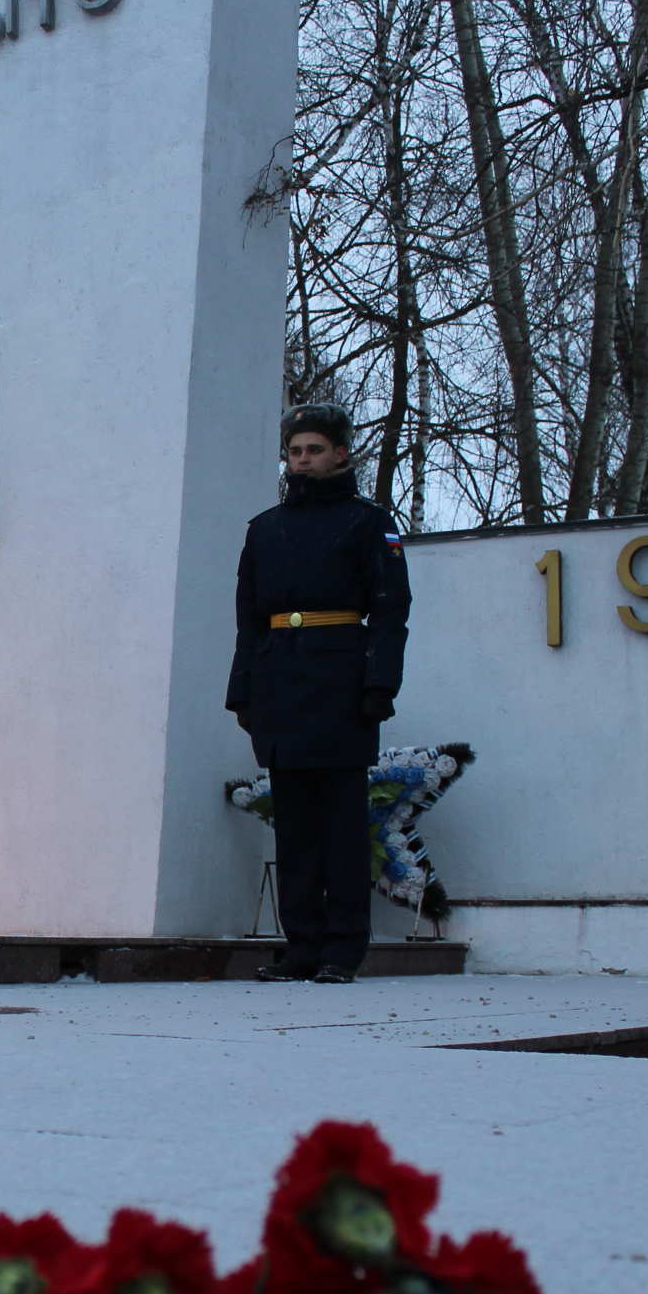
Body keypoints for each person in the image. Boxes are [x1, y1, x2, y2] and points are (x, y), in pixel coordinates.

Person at [224, 407, 411, 983]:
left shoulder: (368, 522)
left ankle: (342, 948)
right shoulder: (265, 528)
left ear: (341, 454)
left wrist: (380, 684)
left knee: (342, 827)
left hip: (340, 684)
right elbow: (248, 621)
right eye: (296, 450)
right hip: (280, 682)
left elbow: (390, 608)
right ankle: (301, 945)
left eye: (314, 449)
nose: (303, 459)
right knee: (297, 828)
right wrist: (244, 694)